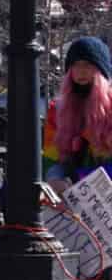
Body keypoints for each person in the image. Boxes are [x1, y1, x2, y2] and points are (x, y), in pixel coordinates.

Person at [45, 35, 112, 189]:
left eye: (88, 65)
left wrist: (80, 178)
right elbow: (51, 159)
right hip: (70, 200)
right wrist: (54, 179)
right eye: (75, 65)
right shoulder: (57, 110)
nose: (81, 71)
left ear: (101, 71)